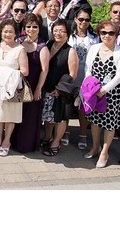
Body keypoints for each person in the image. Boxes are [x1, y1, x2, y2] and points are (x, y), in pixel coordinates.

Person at [83, 19, 120, 168]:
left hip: (111, 94)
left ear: (116, 35)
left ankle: (105, 152)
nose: (107, 35)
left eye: (110, 33)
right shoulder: (94, 48)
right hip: (94, 91)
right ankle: (95, 147)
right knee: (95, 121)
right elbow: (88, 68)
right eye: (103, 32)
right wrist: (90, 86)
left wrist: (104, 90)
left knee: (109, 124)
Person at [0, 20, 29, 156]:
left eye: (11, 31)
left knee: (10, 117)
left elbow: (24, 71)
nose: (8, 34)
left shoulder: (20, 49)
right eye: (5, 31)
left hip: (12, 87)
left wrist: (8, 74)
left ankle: (7, 141)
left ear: (15, 33)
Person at [41, 19, 79, 157]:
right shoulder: (48, 45)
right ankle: (47, 137)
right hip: (47, 88)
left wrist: (60, 89)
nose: (58, 33)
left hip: (60, 91)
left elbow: (72, 74)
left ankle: (56, 142)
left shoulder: (70, 51)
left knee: (60, 118)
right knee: (48, 116)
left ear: (68, 33)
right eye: (55, 30)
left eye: (62, 31)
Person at [10, 16, 48, 153]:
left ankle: (26, 145)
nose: (31, 29)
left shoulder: (42, 47)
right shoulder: (19, 42)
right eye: (28, 26)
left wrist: (38, 89)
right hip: (19, 83)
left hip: (34, 85)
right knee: (17, 114)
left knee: (30, 118)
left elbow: (44, 71)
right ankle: (13, 141)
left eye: (34, 27)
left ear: (39, 28)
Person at [69, 6, 98, 150]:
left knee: (83, 106)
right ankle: (65, 132)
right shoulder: (69, 34)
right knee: (68, 103)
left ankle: (82, 133)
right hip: (71, 74)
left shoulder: (94, 38)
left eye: (87, 20)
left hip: (86, 75)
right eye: (80, 19)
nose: (83, 22)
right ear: (75, 19)